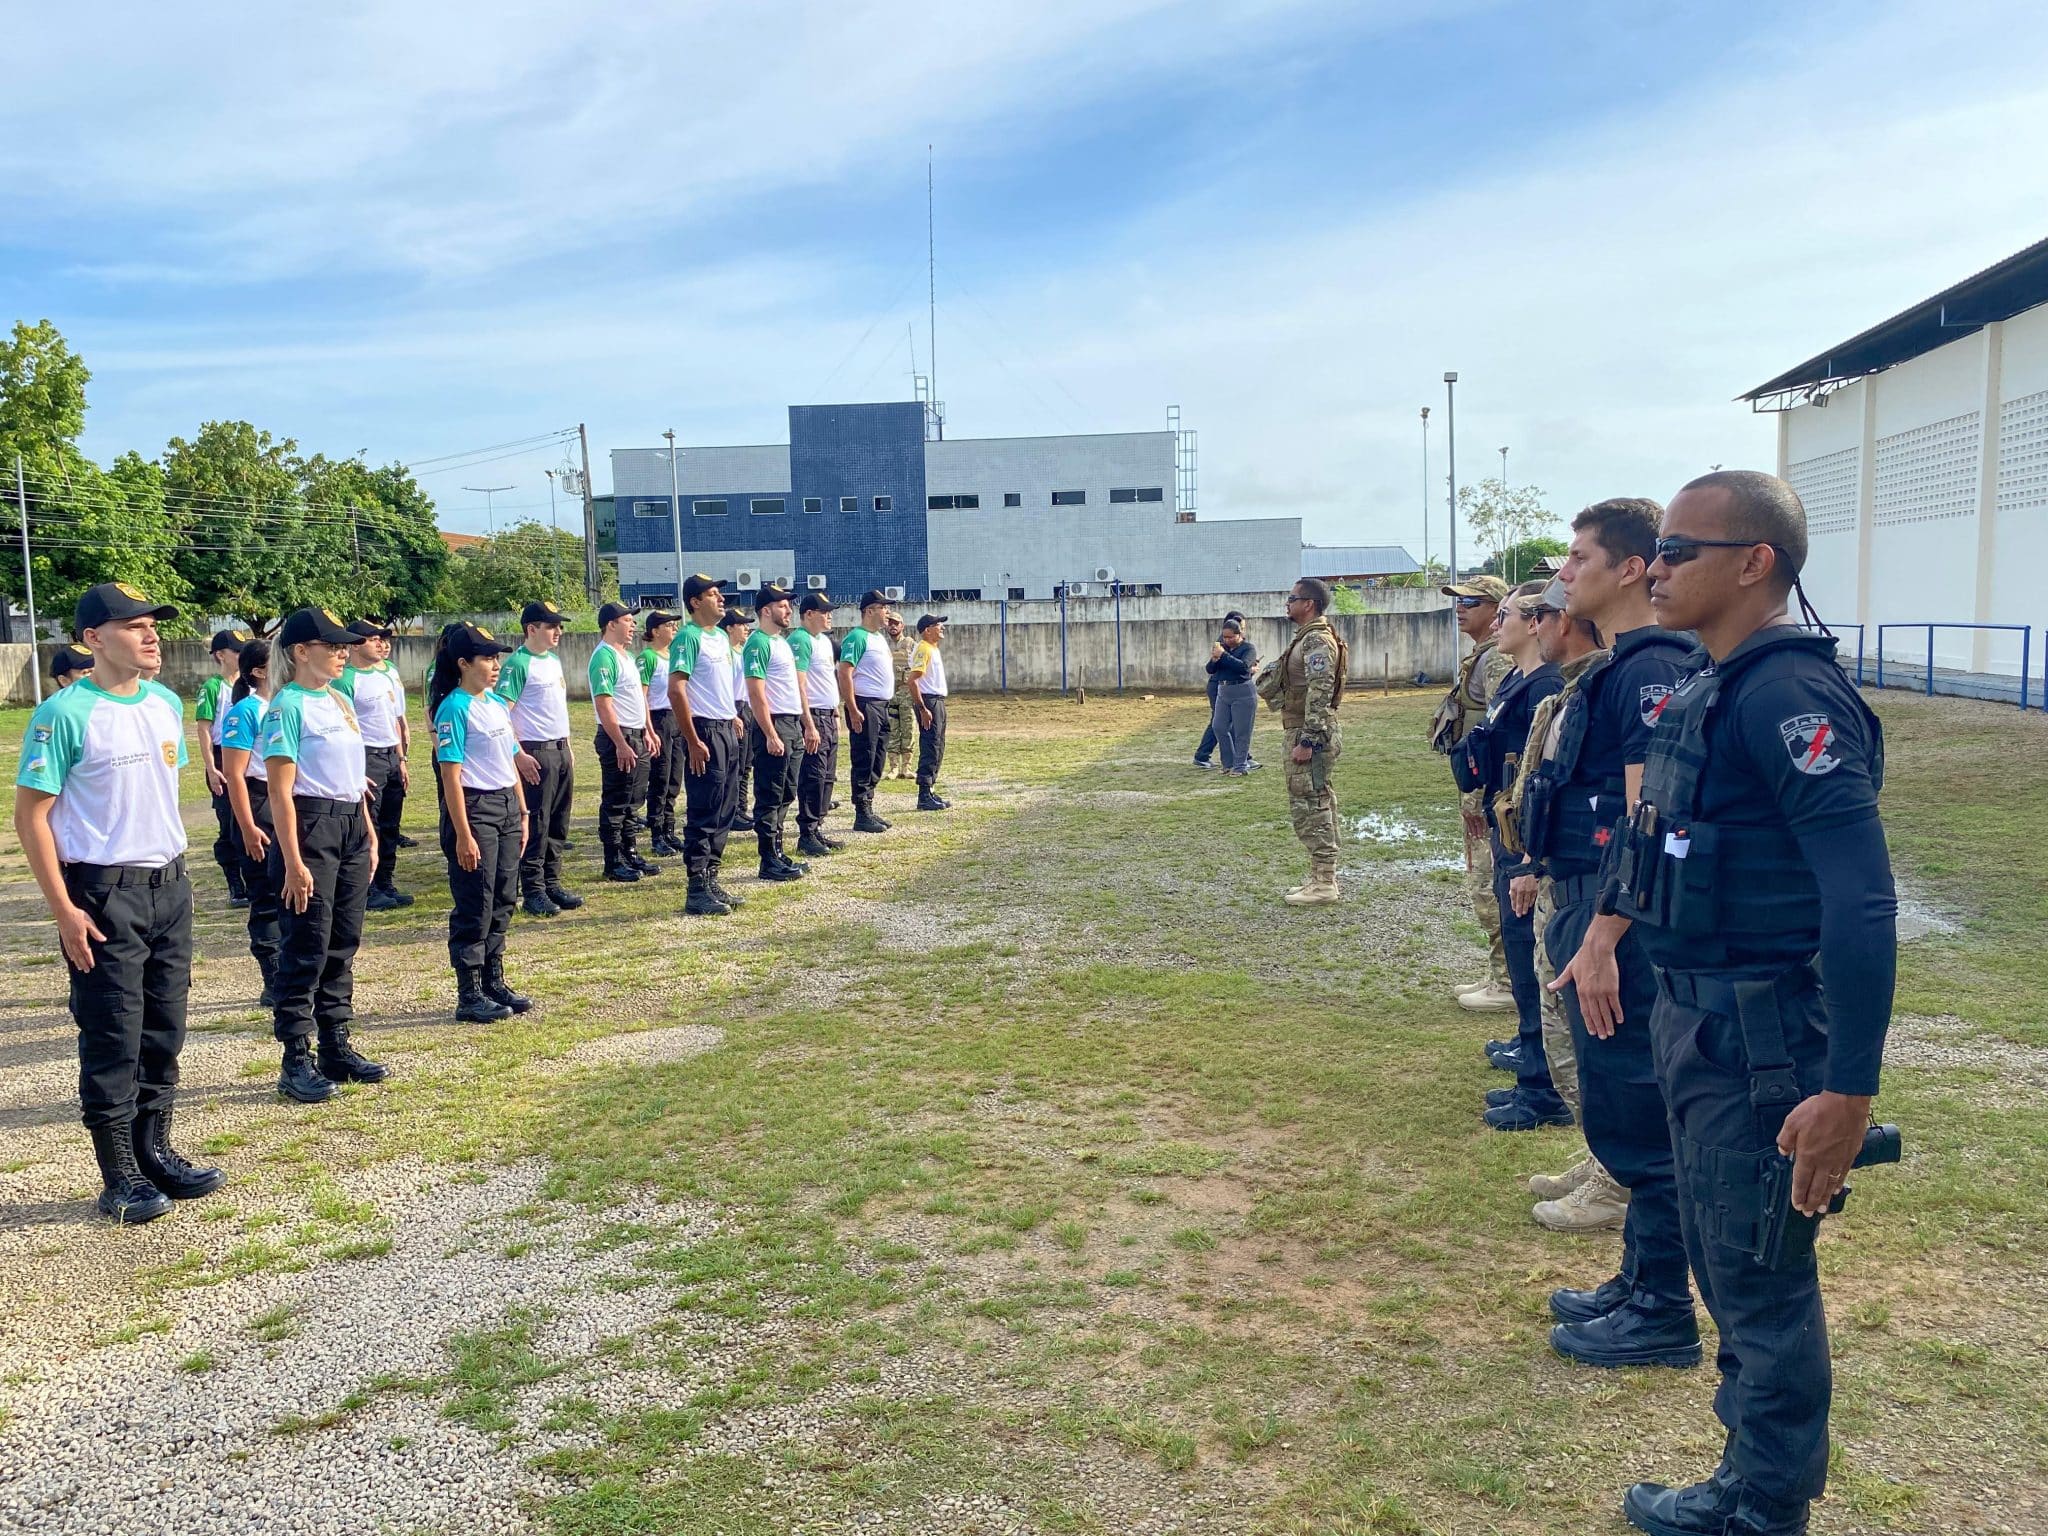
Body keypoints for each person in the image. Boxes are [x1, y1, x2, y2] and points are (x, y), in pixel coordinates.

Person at [1604, 471, 1897, 1536]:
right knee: (1725, 1257)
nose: (1659, 565)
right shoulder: (1710, 684)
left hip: (1761, 1034)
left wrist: (1847, 1091)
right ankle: (1747, 1473)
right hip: (1696, 1016)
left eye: (1681, 548)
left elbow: (1859, 901)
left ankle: (1763, 1502)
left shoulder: (1786, 698)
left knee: (1759, 1275)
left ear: (1753, 562)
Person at [1520, 499, 1698, 1370]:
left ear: (1629, 569)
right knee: (1625, 1105)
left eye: (1581, 558)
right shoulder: (1625, 665)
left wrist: (1603, 935)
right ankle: (1639, 1282)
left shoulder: (1652, 668)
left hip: (1619, 917)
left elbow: (1650, 820)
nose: (1566, 573)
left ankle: (1662, 1310)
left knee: (1643, 1111)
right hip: (1596, 902)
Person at [14, 582, 221, 1224]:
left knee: (164, 1028)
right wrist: (63, 910)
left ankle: (155, 1151)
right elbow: (31, 817)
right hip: (103, 894)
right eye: (134, 627)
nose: (151, 635)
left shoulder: (163, 702)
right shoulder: (64, 714)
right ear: (93, 640)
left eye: (153, 624)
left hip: (169, 885)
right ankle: (119, 1175)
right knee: (113, 1032)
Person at [1500, 587, 1623, 1225]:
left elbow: (1631, 810)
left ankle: (1622, 1176)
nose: (1531, 625)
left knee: (1596, 1044)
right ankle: (1609, 1159)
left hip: (1600, 895)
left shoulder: (1623, 683)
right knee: (1567, 1035)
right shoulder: (1578, 690)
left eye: (1537, 613)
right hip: (1568, 883)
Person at [261, 606, 388, 1104]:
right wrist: (293, 862)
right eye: (332, 646)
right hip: (310, 827)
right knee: (307, 943)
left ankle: (336, 1043)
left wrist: (370, 833)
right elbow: (280, 792)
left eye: (344, 645)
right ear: (300, 652)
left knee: (343, 939)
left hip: (350, 824)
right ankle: (296, 1057)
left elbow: (355, 780)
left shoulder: (338, 700)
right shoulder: (287, 706)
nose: (342, 652)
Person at [1456, 582, 1569, 1132]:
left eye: (1506, 615)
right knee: (1524, 959)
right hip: (1508, 833)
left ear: (1535, 623)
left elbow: (1536, 781)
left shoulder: (1546, 686)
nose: (1496, 623)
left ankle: (1543, 1080)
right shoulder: (1520, 683)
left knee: (1531, 957)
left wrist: (1525, 860)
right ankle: (1531, 1051)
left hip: (1521, 840)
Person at [429, 622, 537, 1023]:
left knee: (505, 895)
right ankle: (469, 991)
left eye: (497, 658)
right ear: (463, 663)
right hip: (475, 809)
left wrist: (522, 812)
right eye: (487, 658)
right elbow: (450, 775)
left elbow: (509, 761)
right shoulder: (454, 708)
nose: (495, 666)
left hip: (506, 806)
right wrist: (462, 833)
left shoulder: (492, 702)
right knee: (477, 898)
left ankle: (494, 978)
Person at [1428, 578, 1514, 1011]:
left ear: (1497, 608)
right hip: (1481, 789)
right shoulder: (1482, 656)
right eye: (1458, 602)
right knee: (1486, 883)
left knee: (1491, 885)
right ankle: (1501, 972)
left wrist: (1485, 797)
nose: (1460, 608)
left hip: (1490, 792)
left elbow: (1502, 733)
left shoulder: (1498, 658)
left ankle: (1509, 982)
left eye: (1470, 602)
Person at [1256, 577, 1347, 904]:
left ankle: (1324, 884)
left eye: (1292, 598)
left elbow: (1319, 692)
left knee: (1311, 804)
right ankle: (1320, 878)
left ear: (1308, 603)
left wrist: (1308, 740)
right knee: (1313, 800)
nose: (1287, 603)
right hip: (1301, 728)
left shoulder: (1316, 641)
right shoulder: (1307, 638)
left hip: (1310, 734)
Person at [496, 599, 582, 919]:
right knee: (537, 821)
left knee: (558, 820)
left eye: (559, 626)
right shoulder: (519, 664)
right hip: (536, 751)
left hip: (558, 749)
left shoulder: (553, 661)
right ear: (531, 629)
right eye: (551, 626)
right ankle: (533, 889)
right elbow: (501, 713)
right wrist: (518, 754)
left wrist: (568, 746)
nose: (558, 631)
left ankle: (552, 881)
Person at [668, 574, 746, 916]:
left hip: (726, 728)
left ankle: (712, 875)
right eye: (712, 594)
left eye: (719, 593)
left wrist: (732, 715)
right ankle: (696, 887)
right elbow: (676, 689)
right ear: (695, 602)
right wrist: (694, 740)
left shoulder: (720, 638)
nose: (720, 599)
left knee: (726, 806)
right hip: (704, 731)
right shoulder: (688, 637)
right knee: (704, 808)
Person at [219, 638, 282, 1009]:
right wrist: (246, 826)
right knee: (266, 896)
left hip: (287, 800)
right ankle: (272, 976)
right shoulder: (244, 712)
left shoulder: (286, 705)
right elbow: (235, 775)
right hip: (257, 803)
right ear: (258, 672)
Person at [340, 618, 415, 912]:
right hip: (366, 757)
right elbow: (346, 729)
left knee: (390, 824)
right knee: (368, 823)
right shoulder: (346, 680)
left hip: (390, 756)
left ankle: (385, 882)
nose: (380, 644)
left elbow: (393, 722)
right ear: (356, 644)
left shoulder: (385, 676)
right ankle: (367, 889)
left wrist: (401, 759)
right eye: (373, 639)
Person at [742, 581, 815, 881]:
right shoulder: (757, 643)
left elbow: (796, 687)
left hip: (791, 722)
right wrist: (770, 733)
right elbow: (756, 692)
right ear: (766, 610)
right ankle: (767, 859)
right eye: (782, 605)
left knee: (787, 791)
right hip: (774, 723)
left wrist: (805, 723)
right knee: (769, 793)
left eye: (789, 605)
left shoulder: (782, 643)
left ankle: (778, 850)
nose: (788, 610)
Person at [590, 601, 660, 883]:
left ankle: (629, 851)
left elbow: (639, 698)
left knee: (634, 800)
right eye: (627, 621)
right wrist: (620, 743)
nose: (633, 626)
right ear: (611, 624)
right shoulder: (604, 657)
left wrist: (648, 730)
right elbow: (604, 704)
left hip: (637, 733)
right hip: (618, 736)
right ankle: (613, 859)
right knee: (617, 801)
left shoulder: (627, 657)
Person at [194, 626, 255, 909]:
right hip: (222, 757)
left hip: (249, 754)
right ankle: (235, 884)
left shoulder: (252, 684)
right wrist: (210, 768)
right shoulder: (214, 688)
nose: (242, 656)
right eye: (236, 651)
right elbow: (204, 729)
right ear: (220, 655)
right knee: (230, 823)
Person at [791, 592, 844, 859]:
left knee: (827, 776)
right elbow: (799, 684)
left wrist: (835, 707)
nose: (829, 615)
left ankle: (817, 826)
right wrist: (808, 724)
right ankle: (807, 833)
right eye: (824, 611)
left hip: (828, 715)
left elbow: (827, 678)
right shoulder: (800, 640)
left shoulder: (823, 641)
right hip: (813, 716)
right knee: (813, 776)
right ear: (809, 614)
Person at [838, 589, 897, 833]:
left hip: (881, 705)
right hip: (865, 704)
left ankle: (869, 805)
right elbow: (844, 672)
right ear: (869, 610)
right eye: (883, 608)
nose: (887, 613)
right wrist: (852, 708)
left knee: (877, 757)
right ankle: (861, 812)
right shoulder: (857, 637)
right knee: (864, 756)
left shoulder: (878, 638)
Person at [638, 610, 684, 857]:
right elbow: (641, 696)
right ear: (655, 631)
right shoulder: (648, 657)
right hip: (658, 719)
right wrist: (648, 728)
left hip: (675, 718)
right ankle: (657, 833)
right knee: (660, 778)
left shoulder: (672, 656)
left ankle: (669, 829)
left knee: (674, 777)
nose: (674, 628)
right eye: (669, 625)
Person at [907, 613, 952, 811]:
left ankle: (930, 788)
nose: (941, 627)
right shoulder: (923, 648)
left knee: (938, 744)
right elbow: (913, 680)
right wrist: (922, 708)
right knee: (930, 745)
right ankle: (924, 794)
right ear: (927, 630)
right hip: (929, 701)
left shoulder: (932, 648)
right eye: (937, 625)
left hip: (937, 700)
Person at [1193, 610, 1248, 769]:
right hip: (1219, 686)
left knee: (1222, 722)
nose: (1243, 630)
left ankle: (1205, 755)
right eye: (1241, 626)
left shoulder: (1237, 644)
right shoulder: (1224, 644)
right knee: (1221, 723)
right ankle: (1203, 755)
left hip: (1222, 686)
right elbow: (1215, 667)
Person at [1207, 617, 1259, 775]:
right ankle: (1228, 763)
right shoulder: (1223, 649)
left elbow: (1243, 667)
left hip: (1242, 691)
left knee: (1242, 731)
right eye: (1224, 637)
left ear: (1239, 635)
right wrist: (1215, 659)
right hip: (1223, 690)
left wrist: (1223, 656)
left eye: (1230, 637)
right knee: (1219, 726)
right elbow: (1210, 670)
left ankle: (1240, 766)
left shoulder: (1248, 648)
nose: (1227, 640)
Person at [723, 606, 757, 834]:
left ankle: (741, 808)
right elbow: (724, 688)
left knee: (746, 764)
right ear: (729, 628)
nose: (746, 628)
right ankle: (731, 810)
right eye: (742, 625)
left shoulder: (741, 651)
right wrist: (733, 715)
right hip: (733, 707)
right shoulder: (726, 652)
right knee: (734, 766)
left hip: (746, 707)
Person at [885, 611, 917, 781]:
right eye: (890, 623)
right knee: (892, 731)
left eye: (896, 623)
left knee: (908, 730)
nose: (893, 626)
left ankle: (907, 767)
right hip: (890, 694)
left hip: (906, 694)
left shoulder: (911, 644)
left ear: (902, 626)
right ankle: (893, 767)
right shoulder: (883, 646)